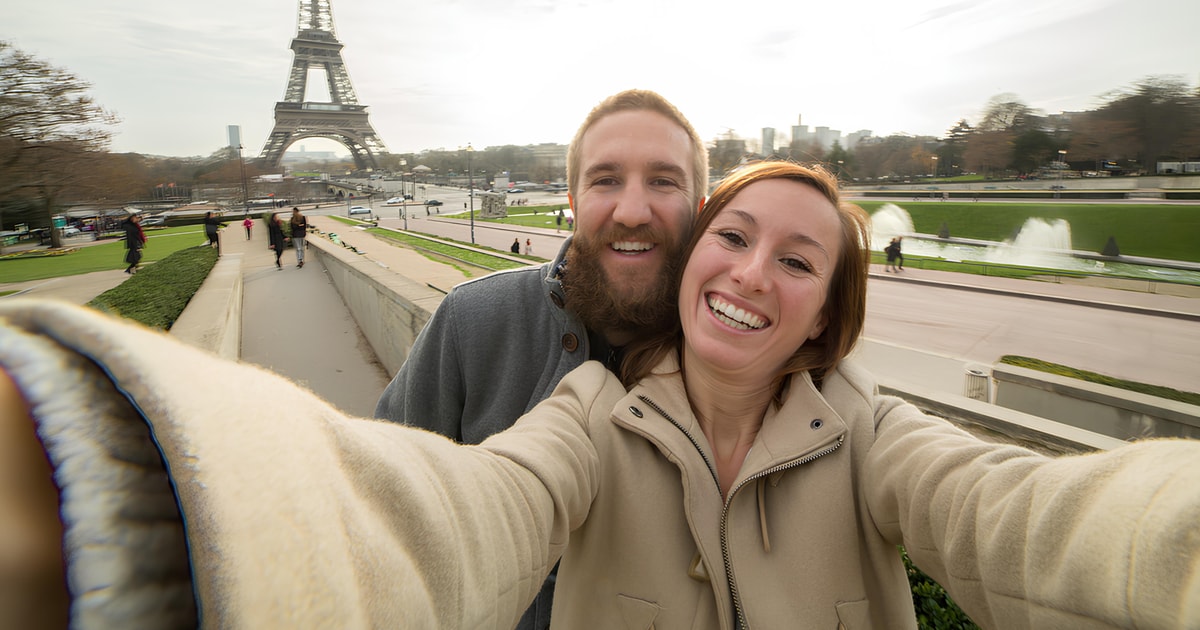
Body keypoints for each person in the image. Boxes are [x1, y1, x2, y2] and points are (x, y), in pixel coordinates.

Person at [3, 161, 1199, 628]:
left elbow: (1023, 521)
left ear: (828, 314)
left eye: (798, 259)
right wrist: (154, 469)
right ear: (690, 265)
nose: (750, 272)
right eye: (732, 237)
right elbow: (463, 510)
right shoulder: (586, 414)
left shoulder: (875, 434)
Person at [373, 88, 709, 629]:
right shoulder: (470, 319)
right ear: (573, 203)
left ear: (697, 210)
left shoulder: (731, 357)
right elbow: (383, 505)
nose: (631, 210)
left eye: (663, 181)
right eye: (605, 180)